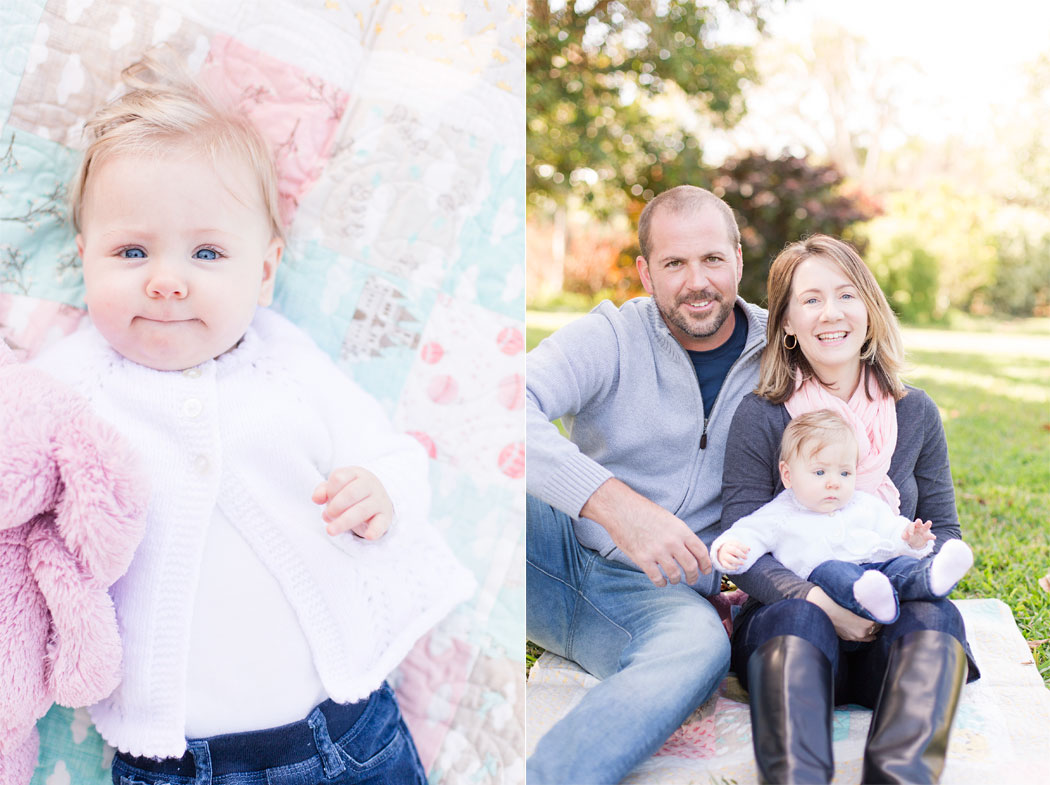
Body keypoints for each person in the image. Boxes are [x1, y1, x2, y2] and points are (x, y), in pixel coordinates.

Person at [33, 50, 475, 784]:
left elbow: (389, 449)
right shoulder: (67, 387)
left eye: (207, 252)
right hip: (170, 763)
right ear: (84, 257)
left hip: (344, 736)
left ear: (264, 270)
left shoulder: (285, 363)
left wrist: (380, 488)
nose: (167, 281)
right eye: (131, 250)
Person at [526, 185, 767, 784]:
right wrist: (611, 505)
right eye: (674, 263)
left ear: (738, 258)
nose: (697, 281)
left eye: (712, 259)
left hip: (660, 592)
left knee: (701, 650)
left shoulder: (781, 353)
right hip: (547, 549)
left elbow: (861, 426)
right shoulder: (611, 335)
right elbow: (494, 404)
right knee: (440, 463)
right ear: (645, 271)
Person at [722, 234, 980, 784]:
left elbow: (944, 525)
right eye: (810, 299)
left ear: (868, 308)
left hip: (887, 639)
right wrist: (823, 601)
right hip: (794, 627)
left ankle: (898, 775)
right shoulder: (762, 415)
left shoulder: (915, 413)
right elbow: (740, 546)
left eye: (845, 295)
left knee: (939, 616)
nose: (831, 313)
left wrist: (911, 559)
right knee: (795, 617)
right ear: (787, 322)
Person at [712, 409, 974, 625]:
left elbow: (894, 531)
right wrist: (728, 549)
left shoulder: (864, 505)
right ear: (788, 475)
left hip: (876, 572)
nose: (834, 483)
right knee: (832, 570)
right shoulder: (781, 514)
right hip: (822, 585)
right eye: (819, 473)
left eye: (845, 473)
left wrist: (913, 540)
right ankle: (871, 597)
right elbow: (747, 532)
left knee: (899, 568)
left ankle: (931, 578)